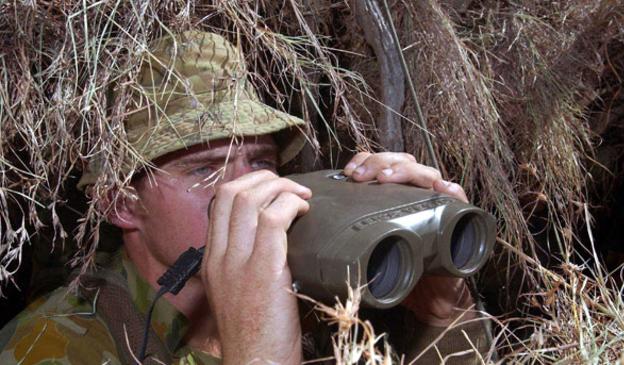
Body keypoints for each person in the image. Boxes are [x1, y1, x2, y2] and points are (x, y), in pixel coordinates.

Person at [0, 31, 488, 364]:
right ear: (123, 204)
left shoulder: (325, 303)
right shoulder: (53, 346)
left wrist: (445, 314)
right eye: (206, 169)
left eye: (259, 161)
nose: (246, 191)